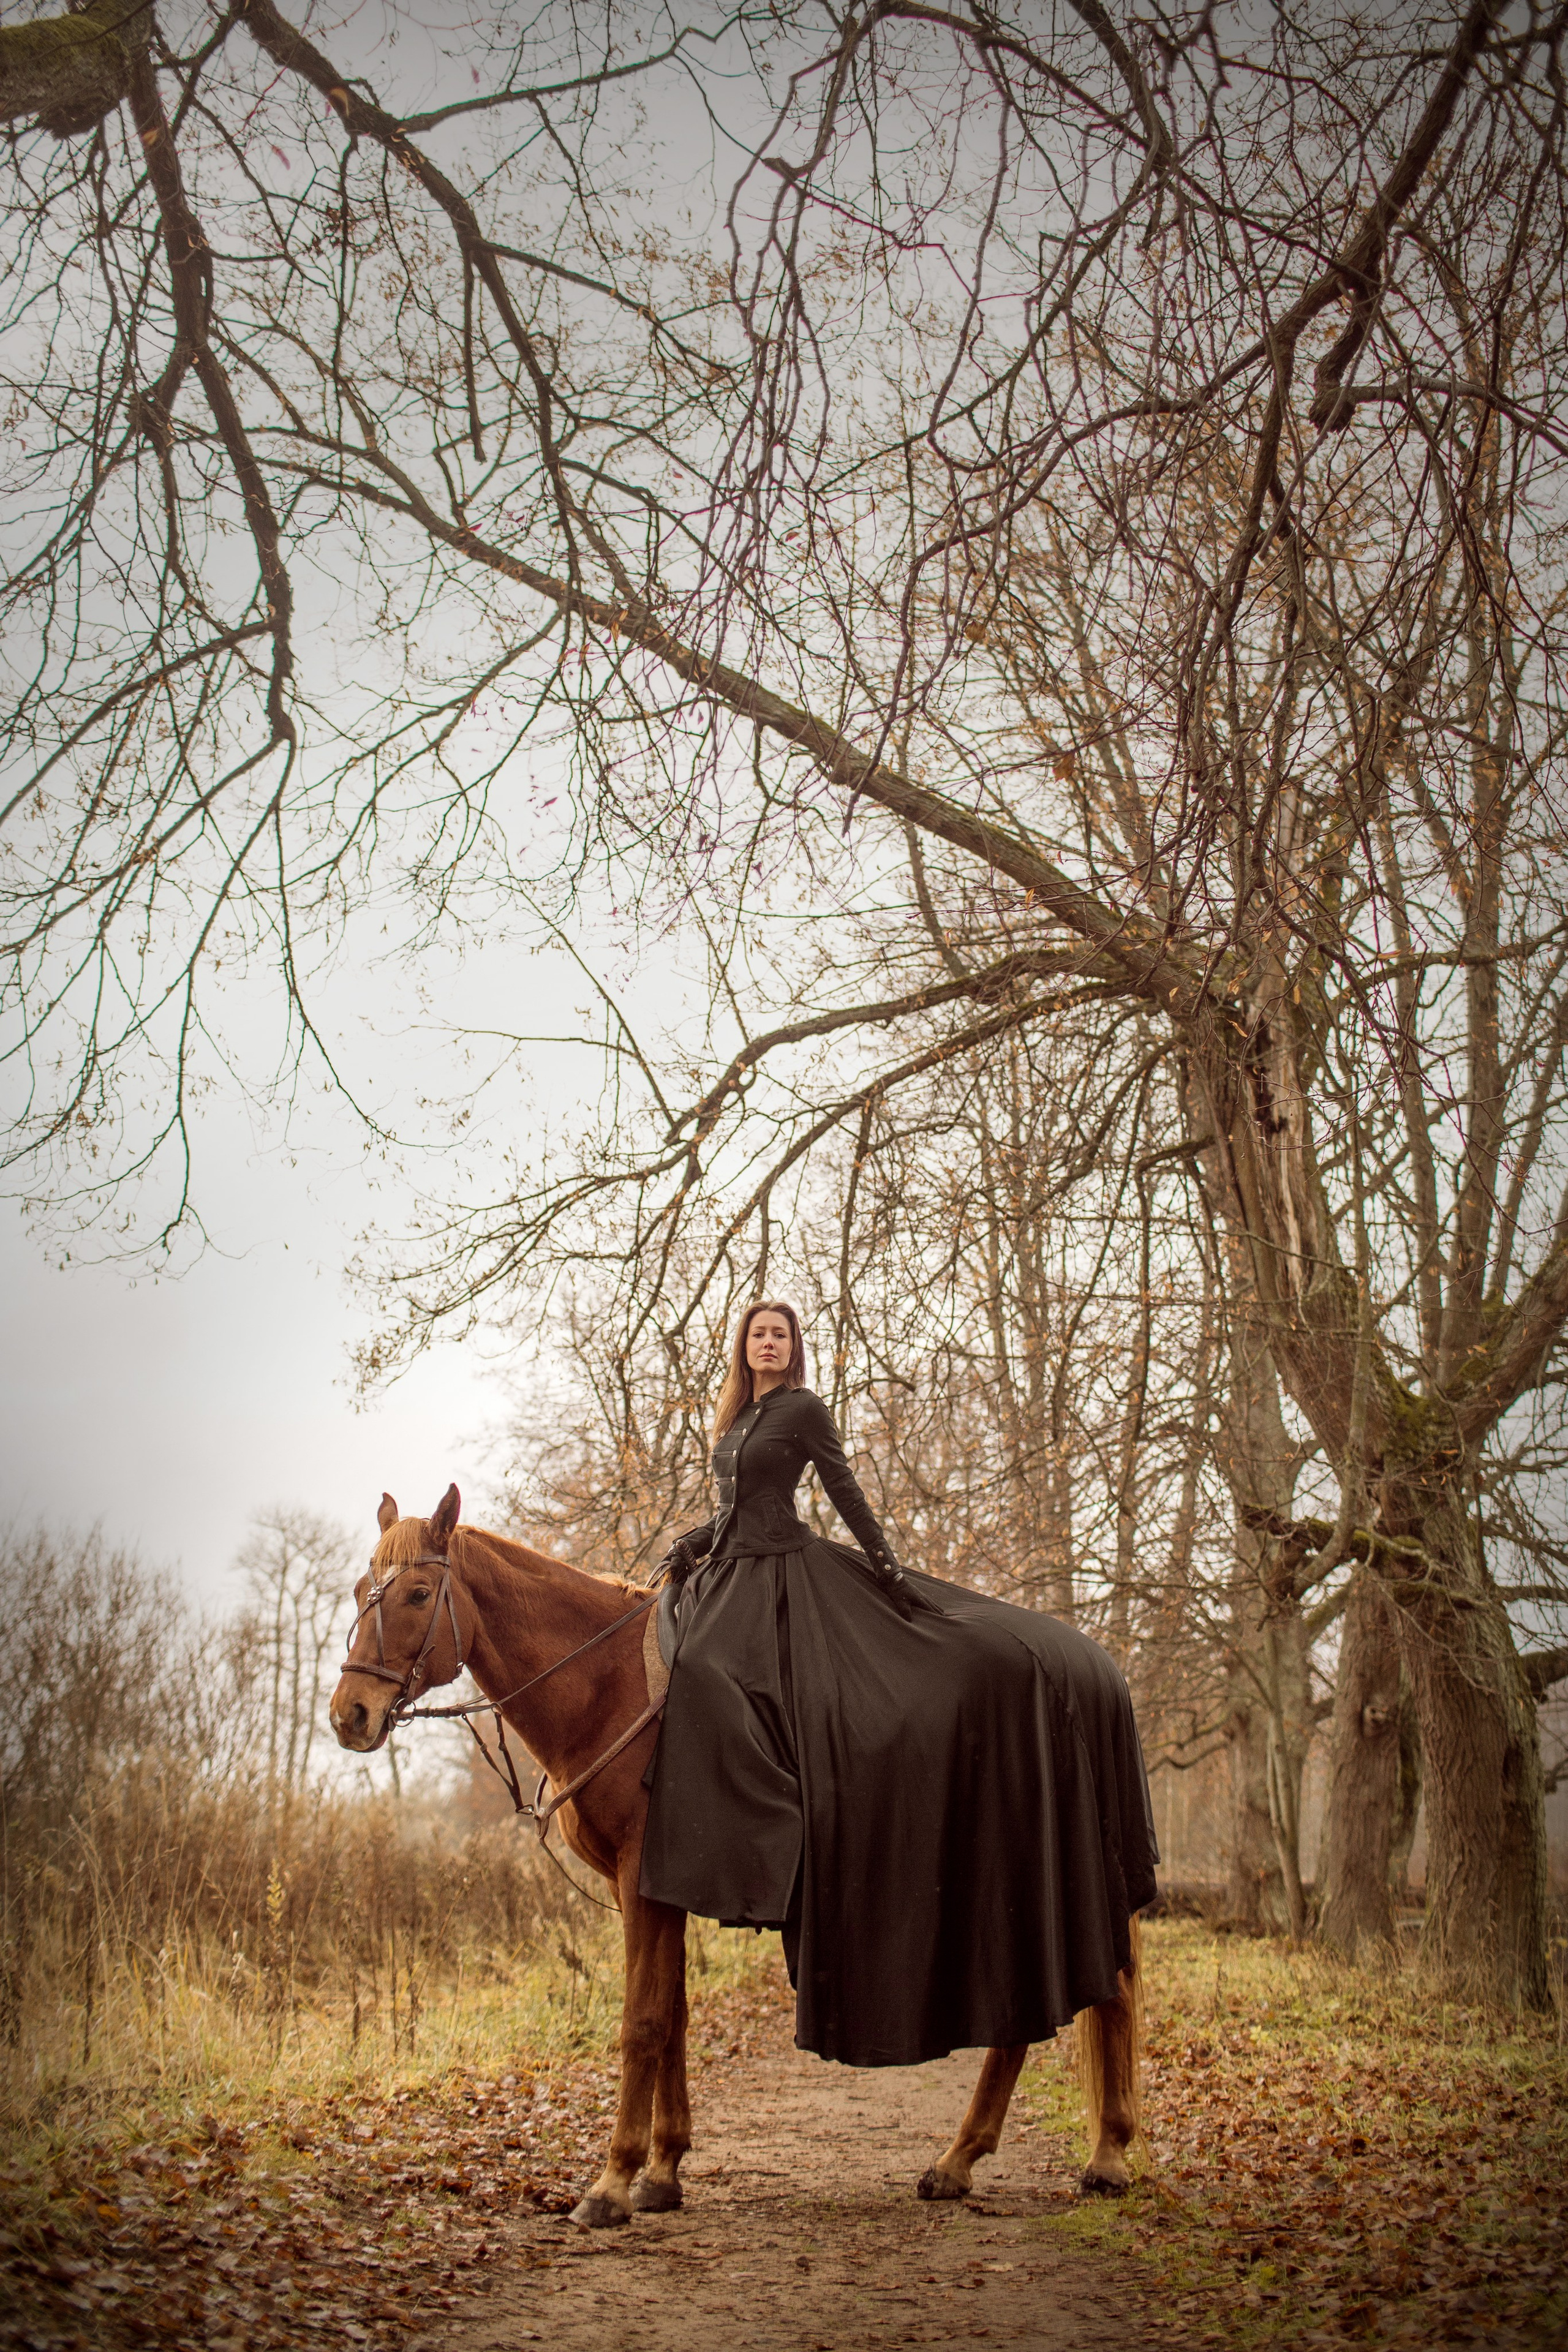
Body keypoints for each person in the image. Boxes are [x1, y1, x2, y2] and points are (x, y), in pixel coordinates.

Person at [638, 1298, 1158, 2068]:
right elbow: (737, 1509)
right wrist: (695, 1541)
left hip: (785, 1577)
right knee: (693, 1668)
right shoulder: (736, 1417)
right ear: (742, 1347)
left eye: (780, 1334)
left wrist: (888, 1573)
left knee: (723, 1676)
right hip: (731, 1573)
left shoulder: (803, 1409)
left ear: (793, 1347)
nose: (769, 1343)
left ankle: (782, 1843)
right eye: (758, 1334)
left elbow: (843, 1490)